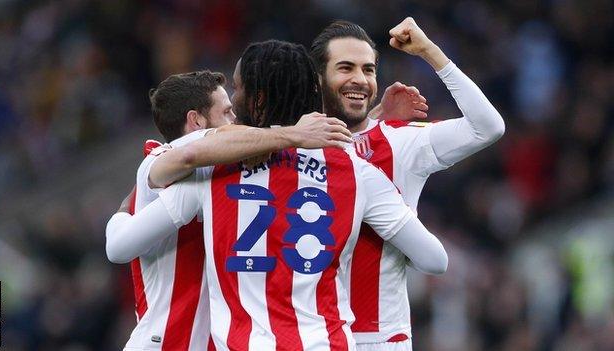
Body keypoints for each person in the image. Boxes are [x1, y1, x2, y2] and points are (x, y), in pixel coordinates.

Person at [106, 40, 448, 351]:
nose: (233, 104)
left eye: (238, 88)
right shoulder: (357, 172)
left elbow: (121, 246)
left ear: (255, 99)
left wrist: (124, 209)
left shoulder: (212, 172)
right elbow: (434, 259)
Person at [107, 70, 353, 350]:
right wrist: (294, 133)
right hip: (167, 341)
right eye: (226, 113)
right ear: (195, 120)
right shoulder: (161, 160)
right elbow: (117, 248)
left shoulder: (222, 173)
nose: (235, 121)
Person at [309, 18, 505, 350]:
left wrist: (429, 52)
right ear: (318, 80)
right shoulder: (289, 142)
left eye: (368, 70)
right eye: (345, 68)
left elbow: (487, 128)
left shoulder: (400, 142)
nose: (360, 79)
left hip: (379, 339)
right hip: (306, 334)